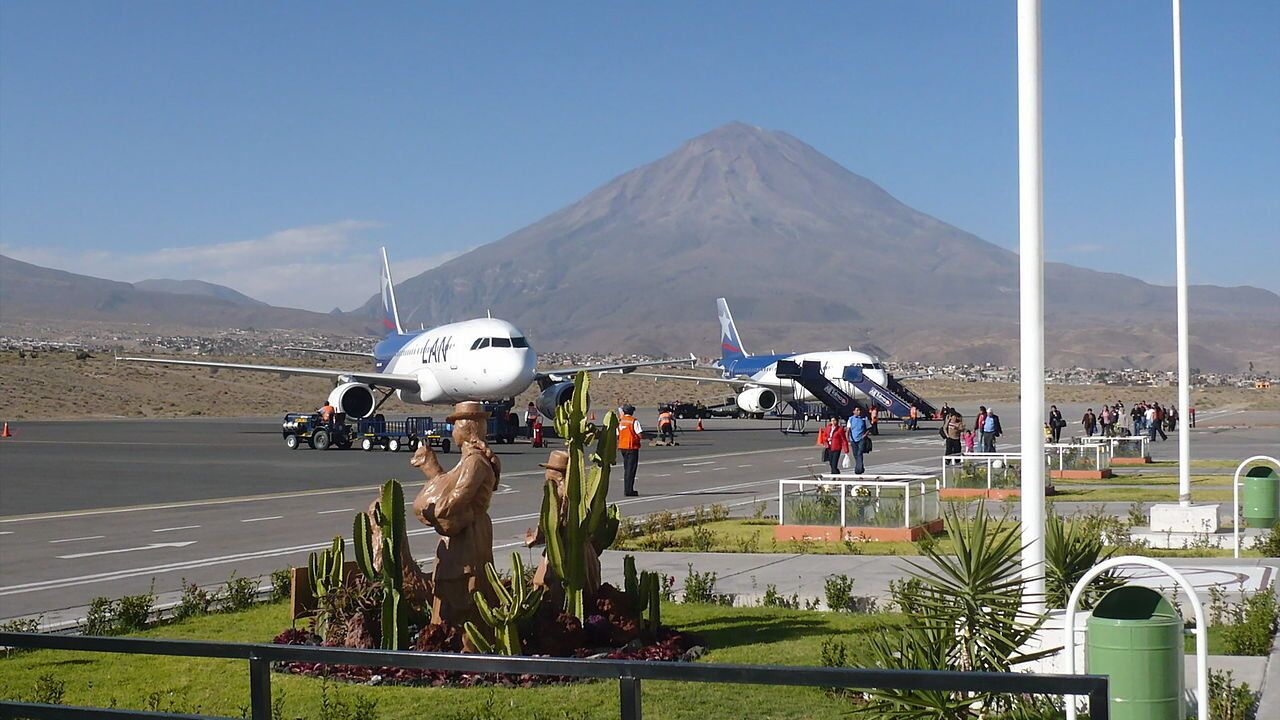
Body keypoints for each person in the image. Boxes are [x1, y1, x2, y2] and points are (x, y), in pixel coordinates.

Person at [410, 401, 501, 627]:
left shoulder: (474, 463)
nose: (452, 432)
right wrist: (432, 470)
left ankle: (465, 635)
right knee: (450, 582)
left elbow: (459, 496)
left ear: (465, 429)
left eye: (455, 426)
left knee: (464, 584)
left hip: (468, 533)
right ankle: (448, 632)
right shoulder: (469, 460)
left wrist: (435, 510)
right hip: (463, 530)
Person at [617, 404, 642, 496]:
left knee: (626, 469)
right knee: (631, 470)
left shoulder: (621, 421)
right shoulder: (633, 421)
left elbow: (617, 434)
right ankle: (629, 490)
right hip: (632, 447)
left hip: (623, 447)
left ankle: (628, 489)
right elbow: (639, 434)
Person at [846, 407, 869, 475]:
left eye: (859, 410)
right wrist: (848, 439)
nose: (859, 412)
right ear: (854, 411)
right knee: (855, 454)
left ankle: (858, 469)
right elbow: (848, 430)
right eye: (857, 410)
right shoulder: (851, 419)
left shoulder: (864, 418)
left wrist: (865, 435)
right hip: (853, 439)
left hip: (861, 439)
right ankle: (860, 467)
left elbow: (869, 428)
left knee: (859, 453)